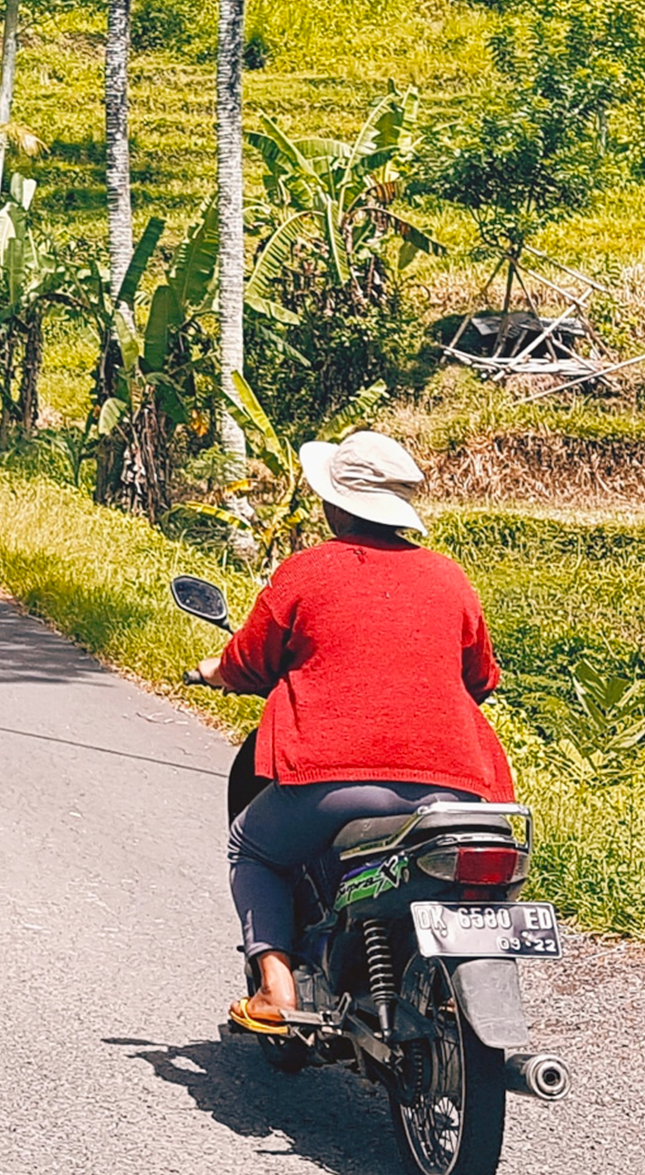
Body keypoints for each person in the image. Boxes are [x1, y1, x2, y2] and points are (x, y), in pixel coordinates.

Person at [184, 429, 511, 1037]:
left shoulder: (307, 572)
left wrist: (214, 671)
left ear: (335, 504)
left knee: (250, 848)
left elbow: (251, 661)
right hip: (457, 789)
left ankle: (277, 987)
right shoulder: (449, 578)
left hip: (332, 780)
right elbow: (480, 678)